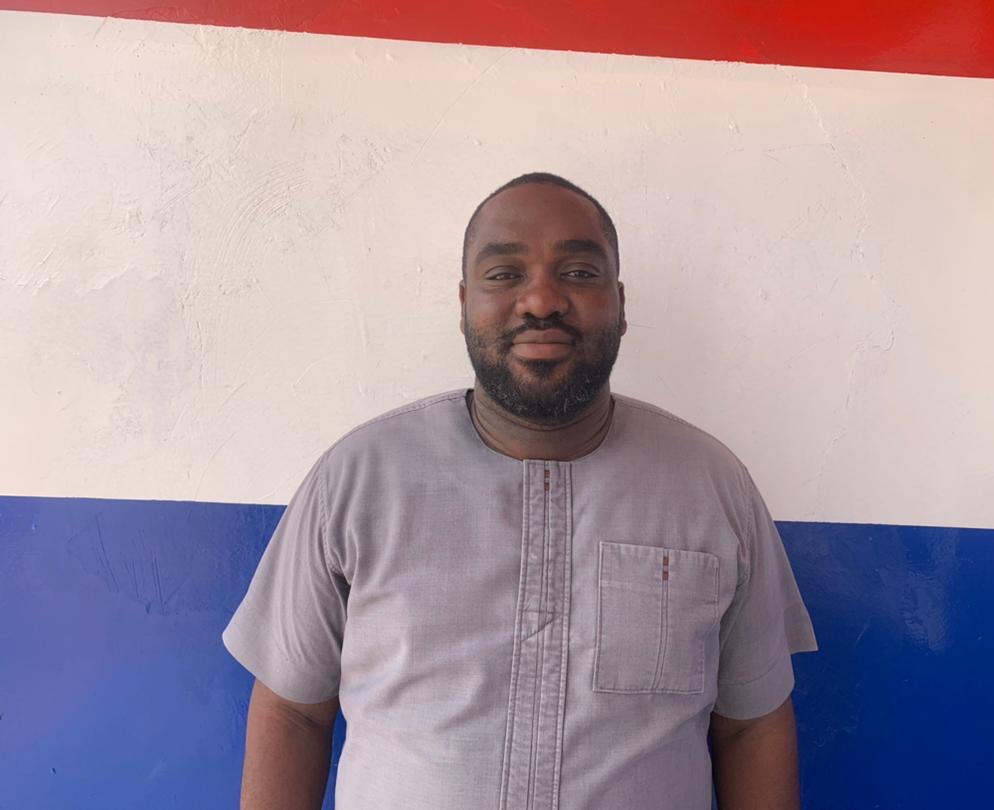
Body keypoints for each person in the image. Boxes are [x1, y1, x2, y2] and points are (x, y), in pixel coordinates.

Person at [223, 172, 817, 809]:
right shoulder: (357, 480)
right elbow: (294, 712)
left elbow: (751, 726)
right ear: (463, 304)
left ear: (620, 304)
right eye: (504, 273)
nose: (540, 301)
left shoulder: (713, 488)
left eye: (579, 273)